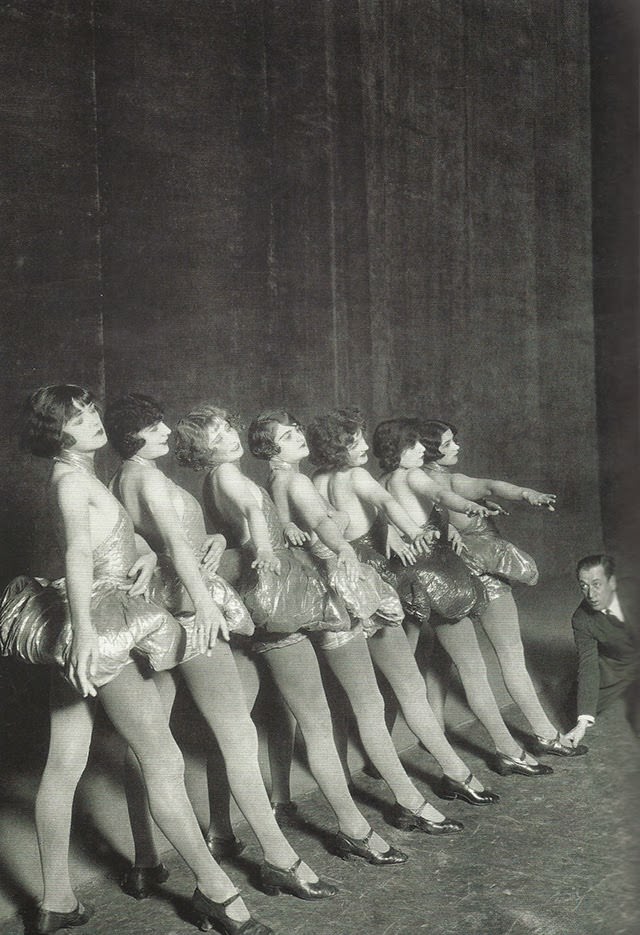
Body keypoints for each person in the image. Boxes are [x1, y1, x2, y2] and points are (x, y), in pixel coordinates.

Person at [0, 385, 274, 935]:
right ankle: (215, 892)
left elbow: (112, 542)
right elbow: (78, 555)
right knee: (162, 758)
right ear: (57, 432)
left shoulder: (82, 478)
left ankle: (56, 901)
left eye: (92, 411)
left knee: (64, 764)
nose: (92, 421)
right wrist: (82, 635)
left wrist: (146, 556)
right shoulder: (71, 482)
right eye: (78, 418)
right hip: (99, 625)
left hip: (90, 618)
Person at [104, 393, 336, 902]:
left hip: (160, 610)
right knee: (235, 731)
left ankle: (146, 861)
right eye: (153, 425)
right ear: (132, 437)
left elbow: (139, 535)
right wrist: (205, 604)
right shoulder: (147, 477)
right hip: (189, 609)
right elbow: (172, 541)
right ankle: (279, 858)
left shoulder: (122, 477)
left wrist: (203, 544)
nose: (165, 429)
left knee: (150, 740)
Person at [173, 404, 408, 866]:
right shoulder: (231, 477)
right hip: (274, 603)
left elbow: (230, 524)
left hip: (253, 605)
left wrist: (229, 539)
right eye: (218, 434)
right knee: (316, 722)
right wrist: (264, 545)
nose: (229, 436)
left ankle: (221, 832)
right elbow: (250, 514)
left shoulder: (217, 479)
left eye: (227, 428)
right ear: (203, 448)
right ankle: (353, 828)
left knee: (235, 726)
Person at [247, 409, 494, 824]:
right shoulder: (312, 479)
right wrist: (403, 533)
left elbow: (292, 525)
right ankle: (448, 779)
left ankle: (350, 792)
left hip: (321, 595)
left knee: (352, 700)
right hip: (357, 584)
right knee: (399, 690)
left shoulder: (281, 479)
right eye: (355, 440)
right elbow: (362, 512)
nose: (364, 447)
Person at [371, 416, 556, 778]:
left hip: (404, 580)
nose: (424, 451)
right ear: (402, 451)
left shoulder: (379, 481)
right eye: (417, 446)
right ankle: (507, 750)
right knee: (463, 668)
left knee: (405, 670)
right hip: (436, 581)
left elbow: (382, 514)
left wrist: (418, 531)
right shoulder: (412, 475)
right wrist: (467, 510)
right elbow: (441, 495)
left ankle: (386, 756)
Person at [417, 418, 586, 767]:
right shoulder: (448, 481)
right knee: (510, 654)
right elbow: (491, 486)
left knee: (443, 662)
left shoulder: (404, 483)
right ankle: (544, 734)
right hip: (481, 576)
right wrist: (527, 495)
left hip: (441, 580)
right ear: (430, 451)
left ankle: (433, 738)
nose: (457, 447)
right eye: (449, 443)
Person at [564, 554, 639, 746]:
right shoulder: (581, 619)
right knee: (575, 709)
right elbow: (588, 666)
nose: (590, 594)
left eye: (597, 584)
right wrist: (582, 723)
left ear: (612, 582)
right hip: (619, 664)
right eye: (584, 586)